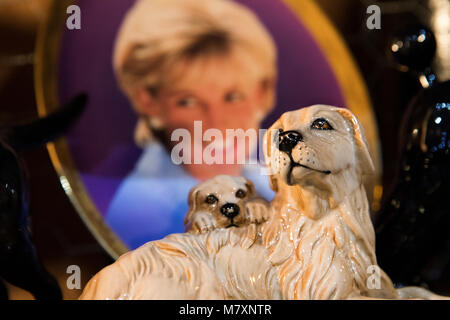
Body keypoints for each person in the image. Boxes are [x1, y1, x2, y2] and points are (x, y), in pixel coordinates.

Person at [106, 0, 278, 249]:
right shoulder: (140, 210)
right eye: (187, 101)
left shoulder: (273, 185)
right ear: (149, 101)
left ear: (262, 92)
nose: (216, 123)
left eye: (232, 97)